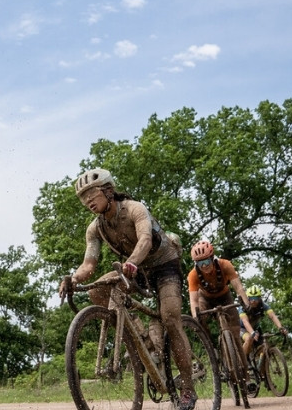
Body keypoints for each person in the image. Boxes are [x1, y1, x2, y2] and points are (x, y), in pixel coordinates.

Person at [58, 168, 198, 410]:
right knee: (98, 290)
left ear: (108, 190)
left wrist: (132, 262)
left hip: (163, 265)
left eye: (92, 194)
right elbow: (89, 263)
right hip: (134, 269)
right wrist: (74, 279)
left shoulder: (135, 208)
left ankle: (187, 388)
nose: (88, 201)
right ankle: (141, 339)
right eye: (83, 198)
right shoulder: (95, 228)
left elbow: (144, 240)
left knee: (170, 318)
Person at [185, 240, 253, 380]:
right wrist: (195, 318)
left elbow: (239, 288)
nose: (204, 266)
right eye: (199, 263)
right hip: (205, 299)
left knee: (235, 335)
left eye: (206, 262)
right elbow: (193, 300)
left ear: (212, 258)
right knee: (199, 319)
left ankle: (244, 373)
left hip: (225, 297)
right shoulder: (193, 275)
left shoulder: (225, 265)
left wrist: (246, 304)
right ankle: (212, 348)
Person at [236, 285, 286, 367]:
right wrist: (252, 332)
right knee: (249, 338)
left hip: (256, 328)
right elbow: (245, 322)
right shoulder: (243, 307)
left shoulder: (263, 305)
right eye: (251, 298)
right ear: (247, 298)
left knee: (264, 348)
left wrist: (280, 327)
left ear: (259, 298)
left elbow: (273, 316)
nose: (253, 301)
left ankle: (263, 372)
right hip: (242, 328)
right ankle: (244, 361)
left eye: (255, 298)